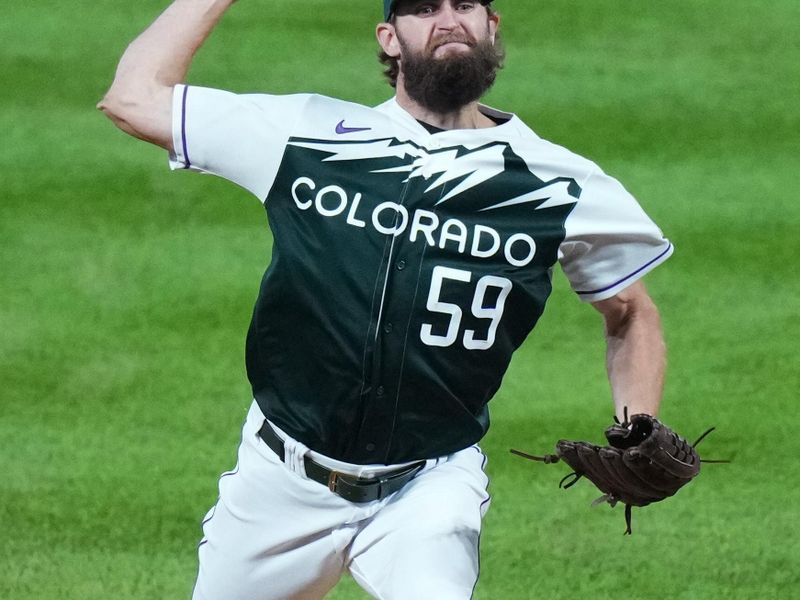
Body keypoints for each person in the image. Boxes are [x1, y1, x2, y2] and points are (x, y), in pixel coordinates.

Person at [99, 0, 672, 598]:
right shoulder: (304, 133)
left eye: (466, 6)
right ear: (389, 39)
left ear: (491, 28)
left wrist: (639, 421)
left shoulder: (559, 182)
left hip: (428, 487)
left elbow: (631, 311)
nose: (449, 20)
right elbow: (131, 97)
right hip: (278, 484)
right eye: (424, 8)